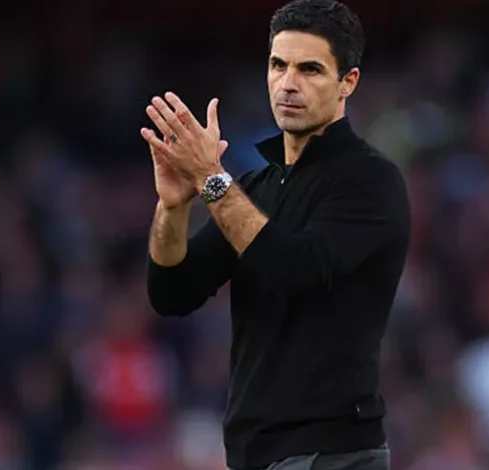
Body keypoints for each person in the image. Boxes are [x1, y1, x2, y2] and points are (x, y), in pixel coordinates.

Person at [140, 0, 410, 468]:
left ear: (348, 82)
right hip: (256, 455)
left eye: (310, 69)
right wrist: (174, 207)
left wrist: (210, 179)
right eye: (278, 65)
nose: (288, 84)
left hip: (331, 453)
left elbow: (293, 269)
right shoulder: (256, 188)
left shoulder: (370, 180)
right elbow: (172, 293)